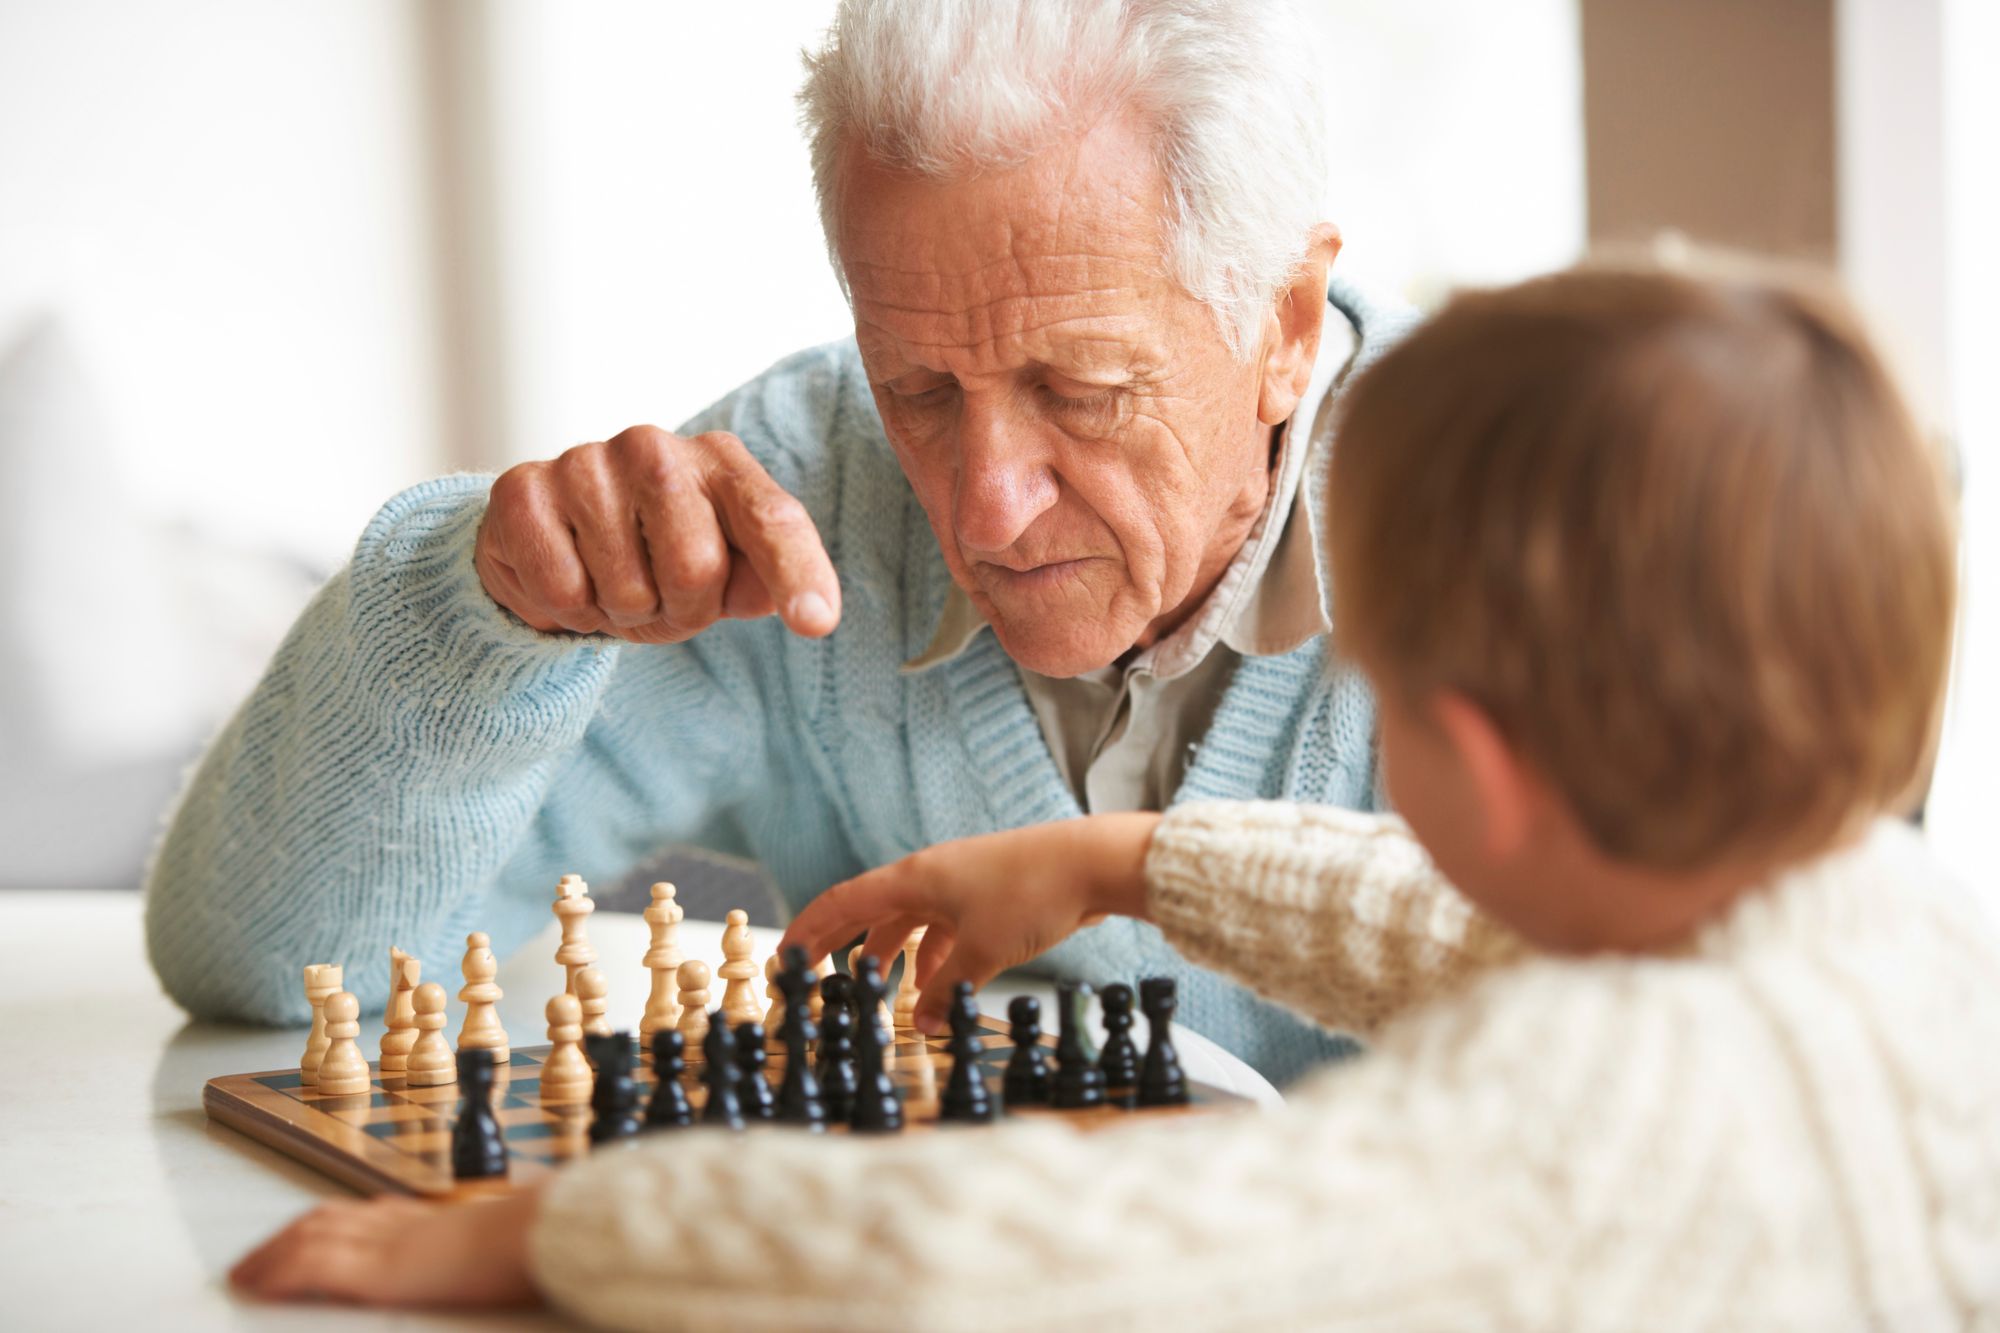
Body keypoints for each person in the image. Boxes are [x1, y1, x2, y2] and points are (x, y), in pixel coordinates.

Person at [231, 264, 2000, 1328]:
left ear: (1464, 750)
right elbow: (1444, 924)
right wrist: (1134, 860)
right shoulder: (1889, 931)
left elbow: (1010, 1268)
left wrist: (571, 1224)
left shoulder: (1549, 1128)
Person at [144, 0, 1409, 1085]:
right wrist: (474, 619)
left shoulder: (1525, 529)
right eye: (915, 389)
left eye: (1078, 390)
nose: (981, 511)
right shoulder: (804, 481)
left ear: (1284, 325)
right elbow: (263, 966)